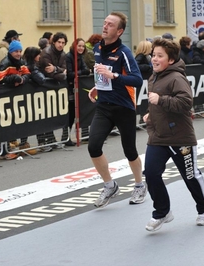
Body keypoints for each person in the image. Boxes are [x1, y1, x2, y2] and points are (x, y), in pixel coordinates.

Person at [143, 38, 204, 231]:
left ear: (171, 60)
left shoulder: (176, 78)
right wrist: (151, 114)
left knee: (190, 176)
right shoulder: (154, 76)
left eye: (159, 56)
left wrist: (161, 100)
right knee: (151, 174)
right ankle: (162, 212)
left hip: (180, 137)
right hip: (158, 136)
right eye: (153, 55)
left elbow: (185, 103)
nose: (154, 59)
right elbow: (158, 104)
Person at [87, 11, 146, 207]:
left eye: (110, 25)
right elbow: (103, 72)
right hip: (104, 106)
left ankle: (139, 185)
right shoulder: (97, 48)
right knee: (93, 146)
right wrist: (99, 85)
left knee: (129, 150)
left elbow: (137, 80)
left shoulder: (124, 52)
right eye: (104, 23)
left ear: (119, 31)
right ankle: (110, 185)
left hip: (124, 107)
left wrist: (114, 77)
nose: (105, 26)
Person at [0, 40, 35, 159]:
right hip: (5, 98)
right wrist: (14, 79)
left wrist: (22, 80)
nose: (18, 54)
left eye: (20, 51)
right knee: (5, 124)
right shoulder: (4, 63)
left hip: (18, 97)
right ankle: (4, 151)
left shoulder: (21, 61)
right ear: (11, 52)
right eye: (16, 51)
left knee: (23, 119)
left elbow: (28, 74)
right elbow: (0, 79)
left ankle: (23, 146)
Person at [39, 32, 68, 147]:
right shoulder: (46, 53)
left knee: (54, 113)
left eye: (63, 43)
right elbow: (49, 73)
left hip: (56, 87)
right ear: (54, 42)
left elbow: (65, 69)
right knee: (45, 114)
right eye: (59, 42)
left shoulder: (63, 54)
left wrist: (56, 69)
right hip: (44, 86)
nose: (61, 45)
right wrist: (61, 72)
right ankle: (44, 141)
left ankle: (51, 139)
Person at [64, 38, 90, 146]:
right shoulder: (69, 56)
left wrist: (81, 72)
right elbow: (70, 73)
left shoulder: (80, 57)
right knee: (70, 114)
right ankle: (66, 137)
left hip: (78, 88)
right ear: (74, 46)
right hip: (70, 88)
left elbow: (86, 70)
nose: (81, 48)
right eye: (79, 46)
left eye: (83, 46)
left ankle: (85, 134)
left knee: (80, 111)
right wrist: (81, 72)